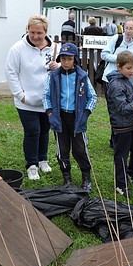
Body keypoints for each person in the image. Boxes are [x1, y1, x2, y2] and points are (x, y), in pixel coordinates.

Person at [6, 15, 57, 180]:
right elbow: (11, 73)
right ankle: (32, 164)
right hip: (26, 101)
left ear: (46, 32)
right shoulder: (17, 49)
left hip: (48, 101)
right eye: (32, 32)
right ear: (27, 30)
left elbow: (65, 68)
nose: (35, 36)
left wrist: (57, 67)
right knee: (32, 131)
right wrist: (20, 95)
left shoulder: (55, 48)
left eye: (39, 33)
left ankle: (42, 159)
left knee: (44, 131)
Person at [43, 43, 97, 191]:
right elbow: (46, 96)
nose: (66, 62)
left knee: (80, 150)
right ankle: (66, 178)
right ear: (60, 59)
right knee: (62, 150)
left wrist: (86, 113)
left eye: (69, 59)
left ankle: (86, 177)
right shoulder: (53, 76)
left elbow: (92, 97)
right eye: (63, 59)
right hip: (59, 118)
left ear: (75, 60)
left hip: (77, 118)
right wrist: (50, 113)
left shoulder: (82, 77)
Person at [106, 50, 133, 198]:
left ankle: (130, 173)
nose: (132, 71)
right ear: (119, 67)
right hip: (121, 126)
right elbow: (121, 108)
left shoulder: (128, 79)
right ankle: (120, 184)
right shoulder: (115, 85)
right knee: (121, 155)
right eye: (128, 68)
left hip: (132, 123)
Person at [100, 18, 133, 85]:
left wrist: (129, 64)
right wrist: (120, 59)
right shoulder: (116, 38)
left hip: (126, 79)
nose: (128, 31)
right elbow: (104, 55)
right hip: (110, 78)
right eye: (126, 28)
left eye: (131, 29)